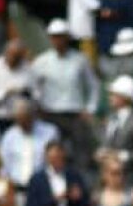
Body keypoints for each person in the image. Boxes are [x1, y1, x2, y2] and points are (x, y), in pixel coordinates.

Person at [32, 19, 100, 175]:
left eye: (61, 36)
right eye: (54, 37)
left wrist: (91, 108)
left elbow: (93, 85)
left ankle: (80, 180)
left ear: (67, 37)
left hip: (75, 113)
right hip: (50, 113)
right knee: (53, 151)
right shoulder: (41, 61)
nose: (58, 40)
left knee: (80, 152)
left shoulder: (80, 59)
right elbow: (34, 86)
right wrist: (38, 104)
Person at [0, 98, 59, 192]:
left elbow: (56, 162)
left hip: (42, 188)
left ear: (32, 116)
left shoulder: (50, 132)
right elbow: (4, 165)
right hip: (16, 187)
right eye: (20, 121)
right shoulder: (9, 136)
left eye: (26, 120)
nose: (23, 125)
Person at [0, 39, 37, 129]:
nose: (14, 60)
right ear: (6, 53)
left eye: (18, 58)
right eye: (13, 56)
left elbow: (36, 93)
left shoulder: (28, 69)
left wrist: (28, 94)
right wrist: (5, 93)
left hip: (21, 119)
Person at [97, 75, 133, 182]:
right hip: (106, 179)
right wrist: (102, 152)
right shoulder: (109, 119)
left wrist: (121, 156)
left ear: (125, 97)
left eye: (114, 94)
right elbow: (105, 143)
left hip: (129, 179)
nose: (110, 97)